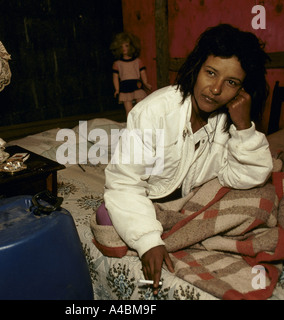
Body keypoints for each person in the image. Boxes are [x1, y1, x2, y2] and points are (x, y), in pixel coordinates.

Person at [98, 24, 273, 295]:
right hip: (148, 198)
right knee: (110, 218)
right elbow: (124, 183)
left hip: (189, 203)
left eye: (231, 82)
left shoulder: (228, 121)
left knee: (264, 198)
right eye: (211, 73)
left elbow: (246, 176)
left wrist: (244, 127)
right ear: (197, 67)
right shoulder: (154, 111)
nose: (215, 89)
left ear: (242, 91)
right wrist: (147, 241)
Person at [110, 32, 152, 117]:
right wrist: (117, 89)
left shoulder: (138, 61)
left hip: (136, 85)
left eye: (126, 46)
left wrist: (145, 83)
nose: (124, 48)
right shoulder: (117, 64)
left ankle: (141, 122)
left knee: (140, 107)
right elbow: (115, 77)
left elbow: (142, 72)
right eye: (121, 46)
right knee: (128, 110)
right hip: (125, 87)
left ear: (132, 47)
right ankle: (130, 125)